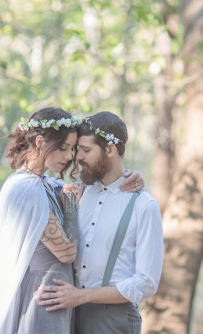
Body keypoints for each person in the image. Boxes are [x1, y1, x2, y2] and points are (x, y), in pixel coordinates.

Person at [0, 107, 144, 334]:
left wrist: (130, 175)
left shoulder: (44, 184)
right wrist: (70, 204)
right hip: (41, 300)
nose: (69, 156)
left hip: (56, 297)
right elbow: (67, 251)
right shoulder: (27, 189)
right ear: (40, 142)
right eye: (63, 148)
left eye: (72, 149)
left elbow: (93, 190)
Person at [36, 111, 164, 334]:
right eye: (78, 150)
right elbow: (33, 184)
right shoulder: (76, 194)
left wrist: (81, 296)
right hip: (66, 315)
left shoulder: (144, 206)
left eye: (86, 150)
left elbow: (146, 283)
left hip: (113, 320)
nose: (78, 157)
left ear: (110, 150)